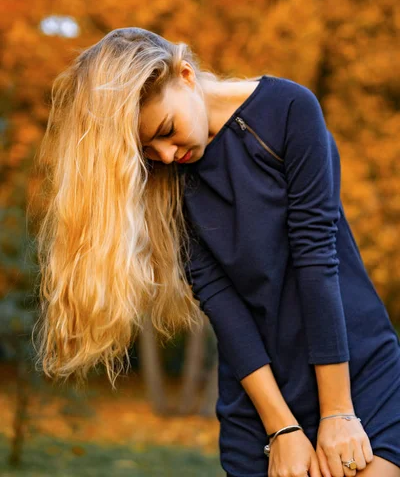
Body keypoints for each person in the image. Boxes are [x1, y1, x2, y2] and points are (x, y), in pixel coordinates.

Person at [32, 27, 400, 477]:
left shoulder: (288, 109)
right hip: (260, 397)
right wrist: (281, 429)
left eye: (165, 131)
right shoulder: (167, 185)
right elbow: (222, 303)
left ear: (185, 74)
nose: (166, 156)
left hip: (352, 368)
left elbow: (316, 259)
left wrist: (338, 414)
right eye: (148, 151)